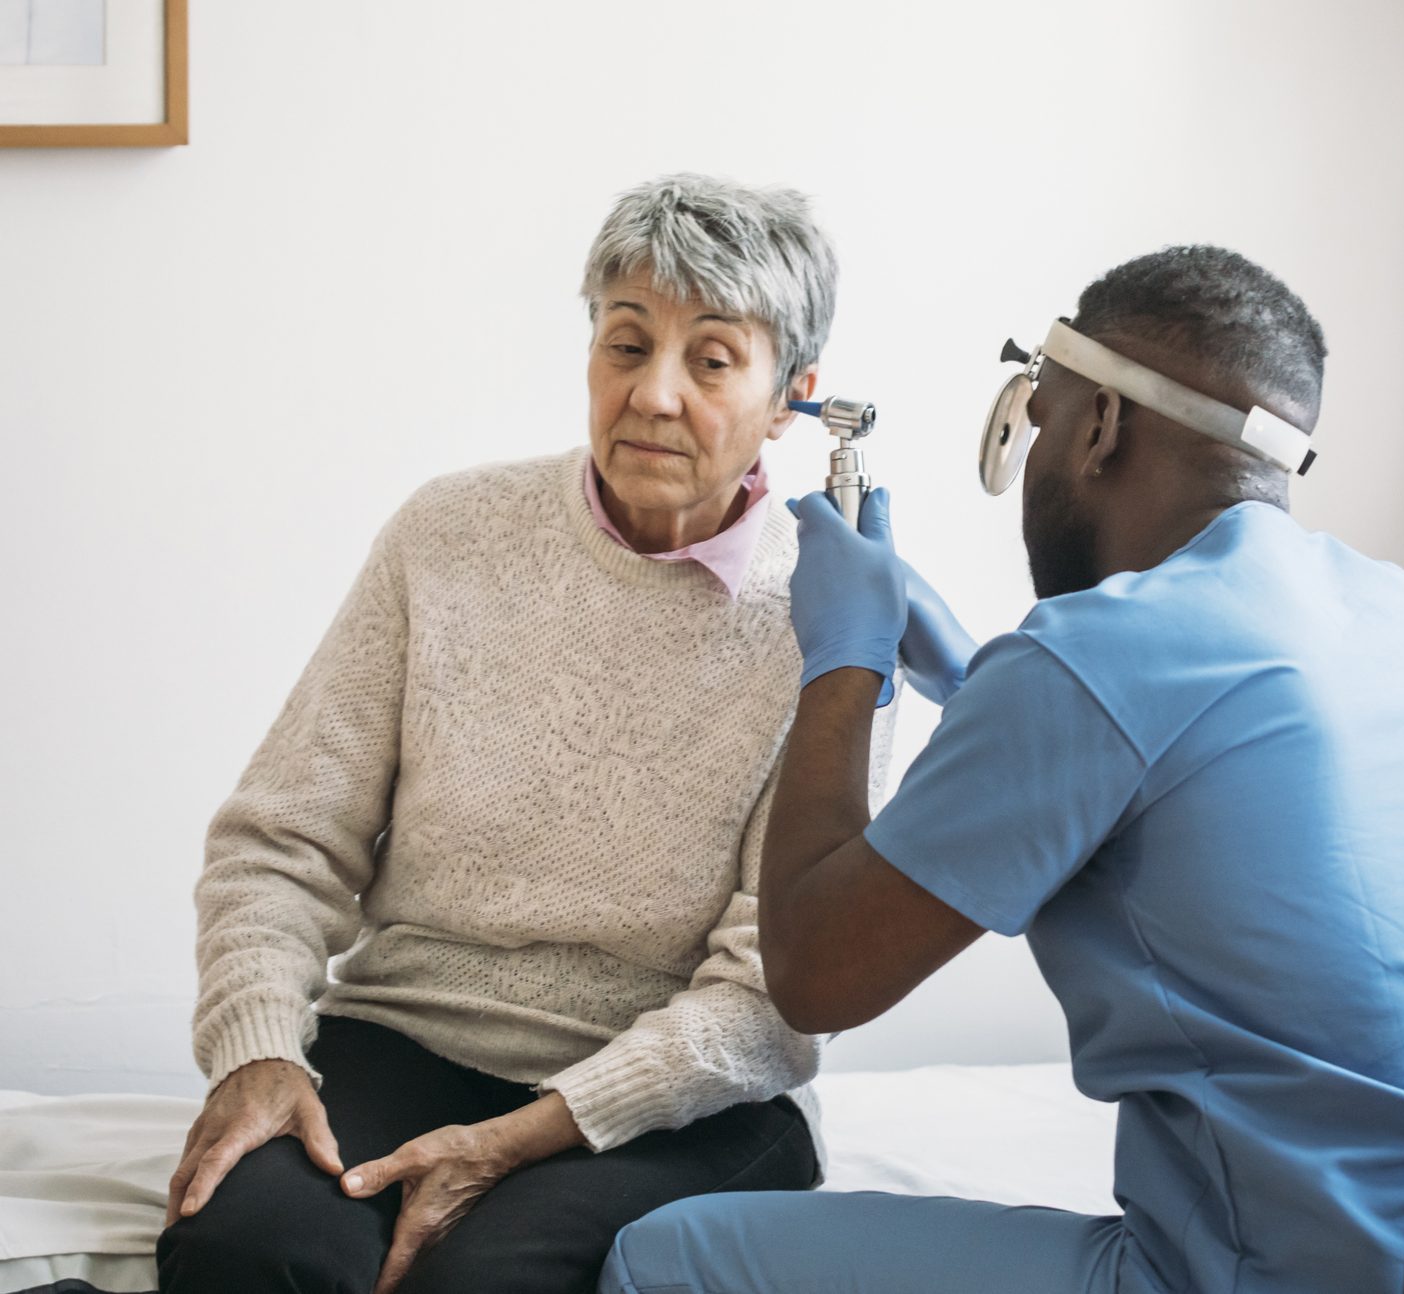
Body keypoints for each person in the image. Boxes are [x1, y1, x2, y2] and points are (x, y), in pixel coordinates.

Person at [600, 246, 1404, 1293]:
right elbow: (1170, 779)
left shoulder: (1090, 663)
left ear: (1100, 426)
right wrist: (974, 676)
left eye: (1037, 418)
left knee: (662, 1259)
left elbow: (814, 974)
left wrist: (843, 660)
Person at [159, 174, 889, 1294]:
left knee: (486, 1283)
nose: (652, 395)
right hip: (406, 1036)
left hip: (680, 1100)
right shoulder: (449, 533)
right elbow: (280, 843)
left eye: (710, 359)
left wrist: (520, 1137)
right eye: (625, 342)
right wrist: (256, 1050)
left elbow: (768, 995)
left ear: (792, 392)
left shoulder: (832, 621)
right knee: (247, 1251)